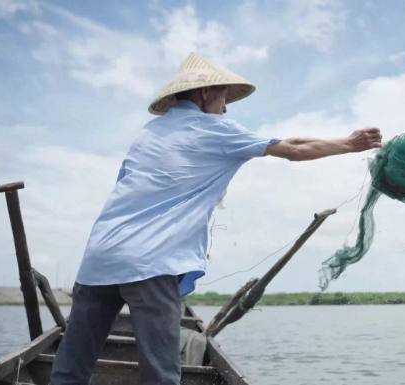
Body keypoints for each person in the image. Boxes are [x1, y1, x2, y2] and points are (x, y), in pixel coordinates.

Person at [50, 53, 382, 385]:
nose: (226, 108)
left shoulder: (148, 132)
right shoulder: (215, 128)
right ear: (206, 93)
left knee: (70, 369)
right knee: (161, 375)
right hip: (151, 263)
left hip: (99, 258)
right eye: (224, 96)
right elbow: (292, 148)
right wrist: (349, 144)